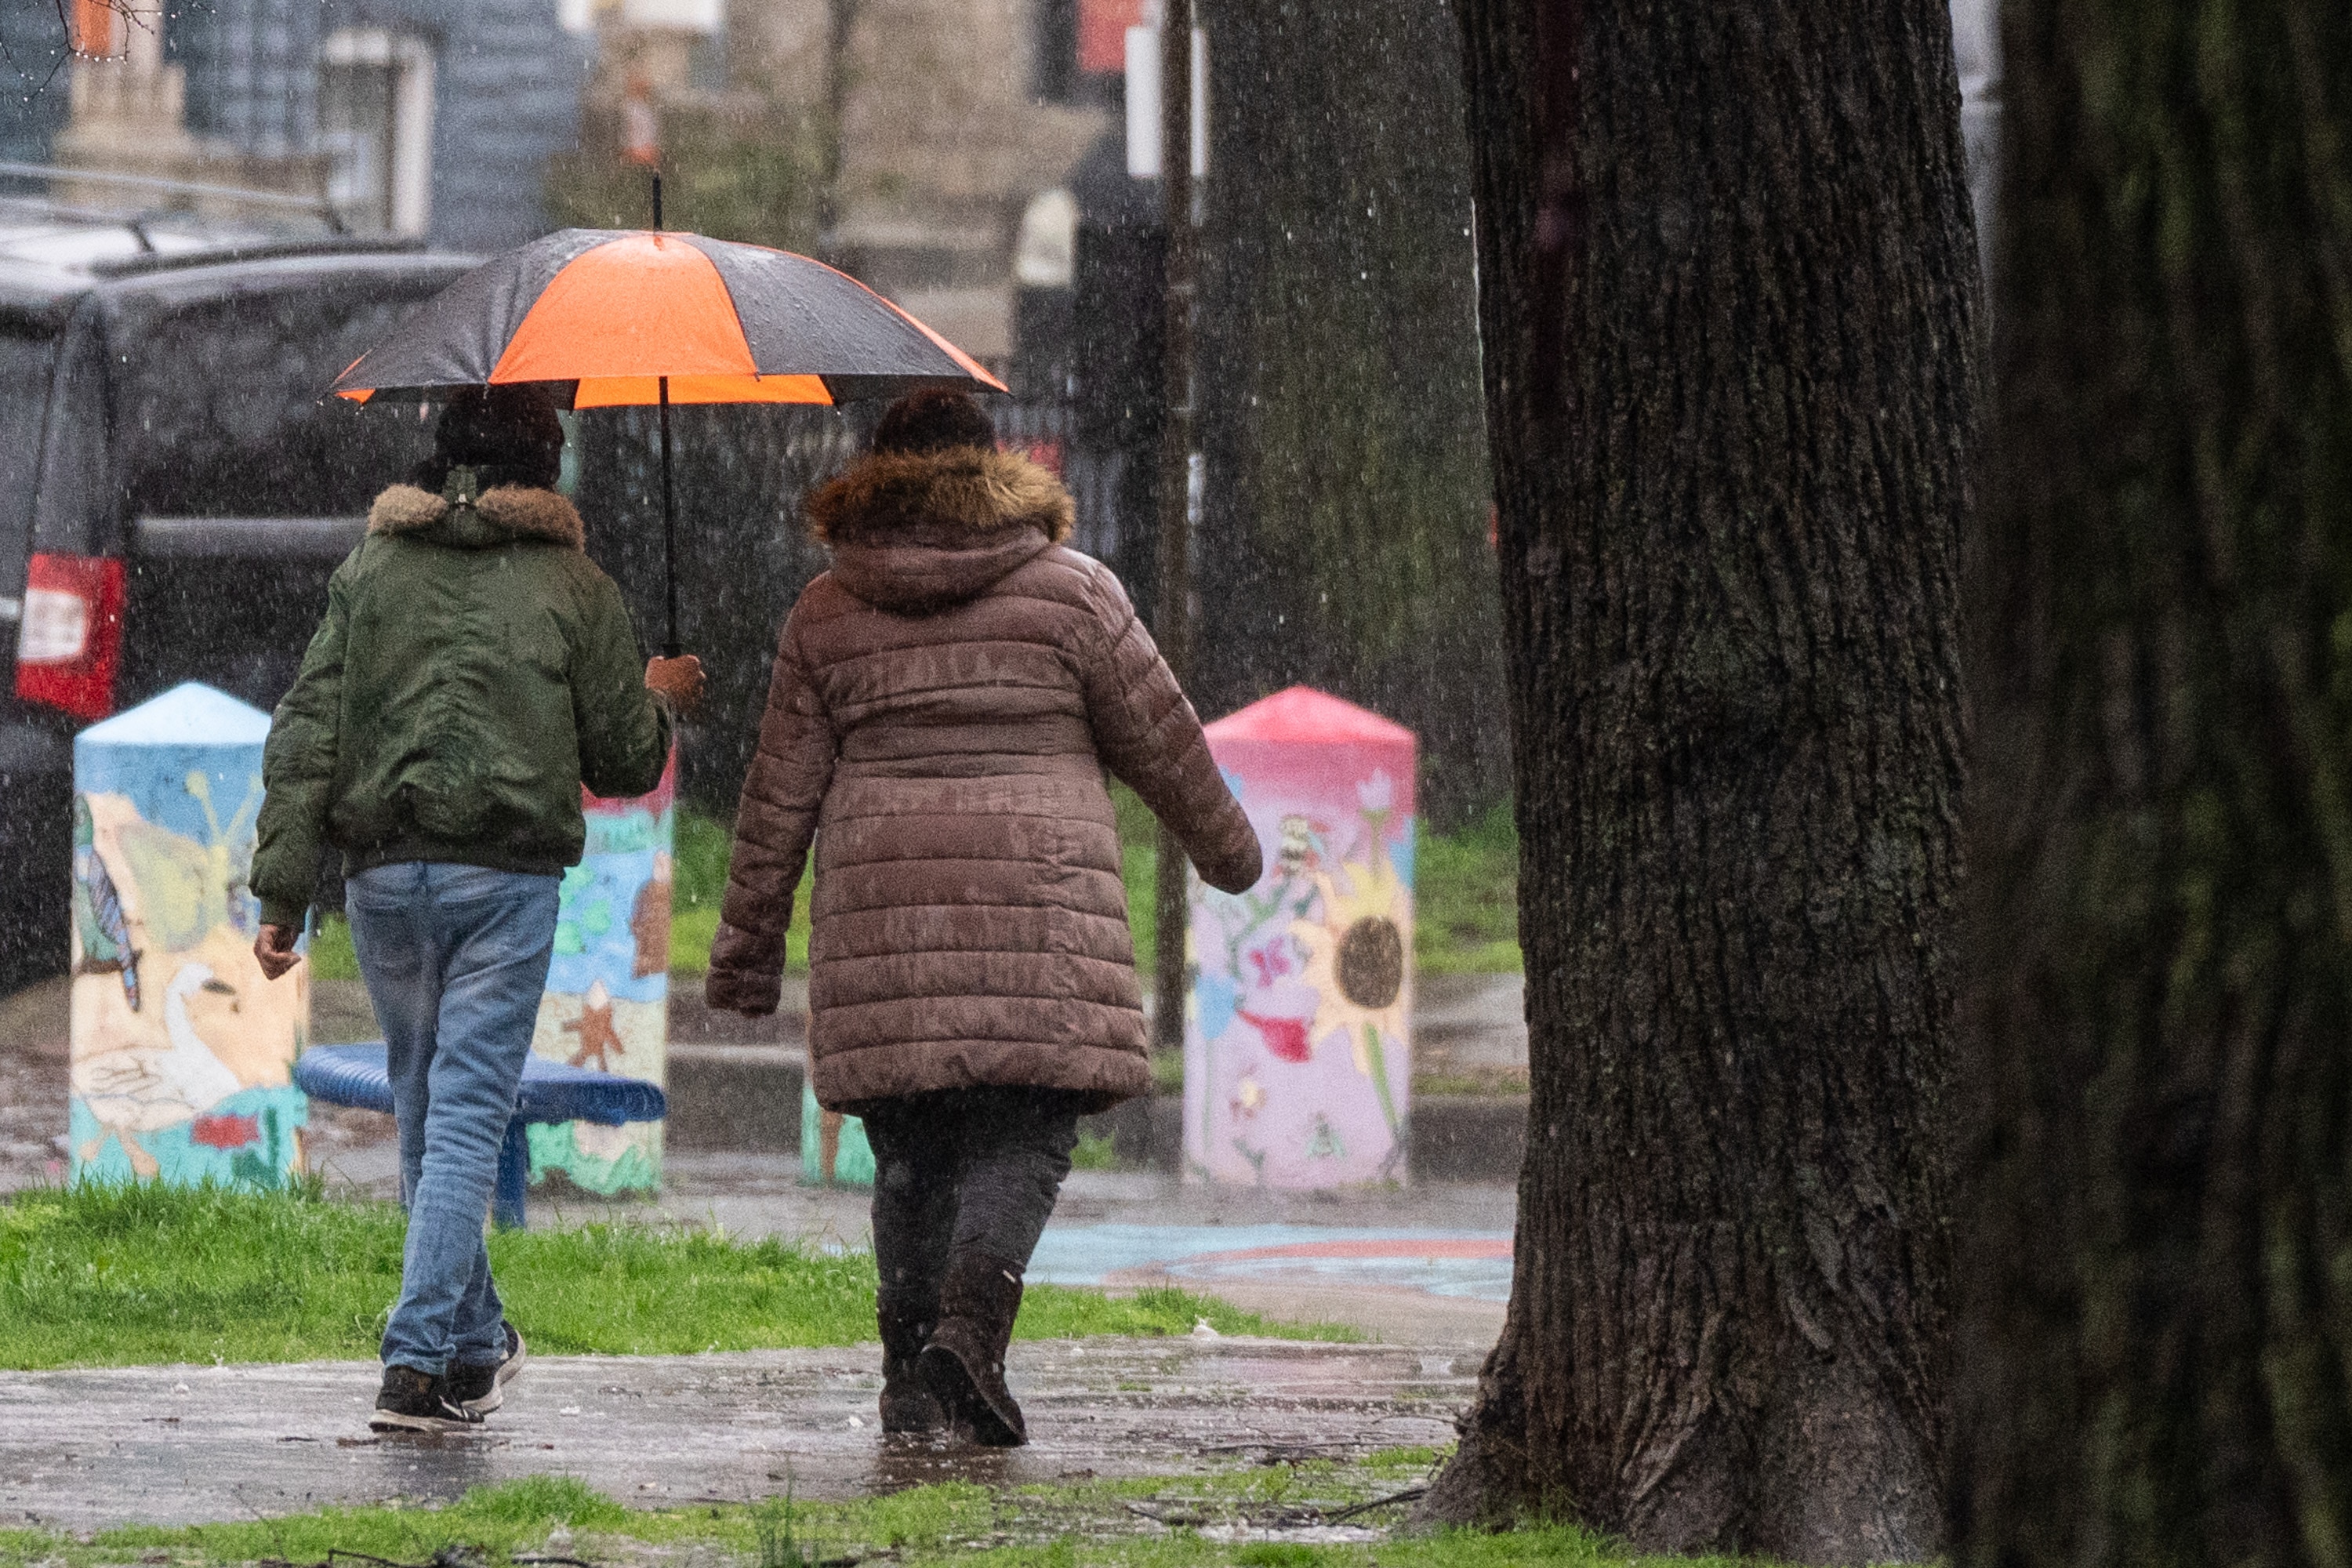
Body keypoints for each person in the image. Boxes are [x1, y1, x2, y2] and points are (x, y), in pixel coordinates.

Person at [706, 388, 1261, 1446]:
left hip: (885, 921)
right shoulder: (1074, 595)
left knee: (909, 1150)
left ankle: (908, 1384)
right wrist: (1229, 853)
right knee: (1023, 1131)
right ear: (995, 464)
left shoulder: (826, 611)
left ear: (874, 474)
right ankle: (968, 1333)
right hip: (1038, 911)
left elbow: (777, 798)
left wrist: (745, 956)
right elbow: (1166, 743)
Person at [249, 383, 705, 1433]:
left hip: (383, 878)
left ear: (442, 457)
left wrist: (282, 893)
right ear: (548, 467)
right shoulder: (573, 585)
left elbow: (308, 732)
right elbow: (626, 760)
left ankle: (471, 1345)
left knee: (427, 1104)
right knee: (460, 1114)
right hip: (503, 884)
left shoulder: (372, 570)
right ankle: (413, 1364)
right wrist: (663, 695)